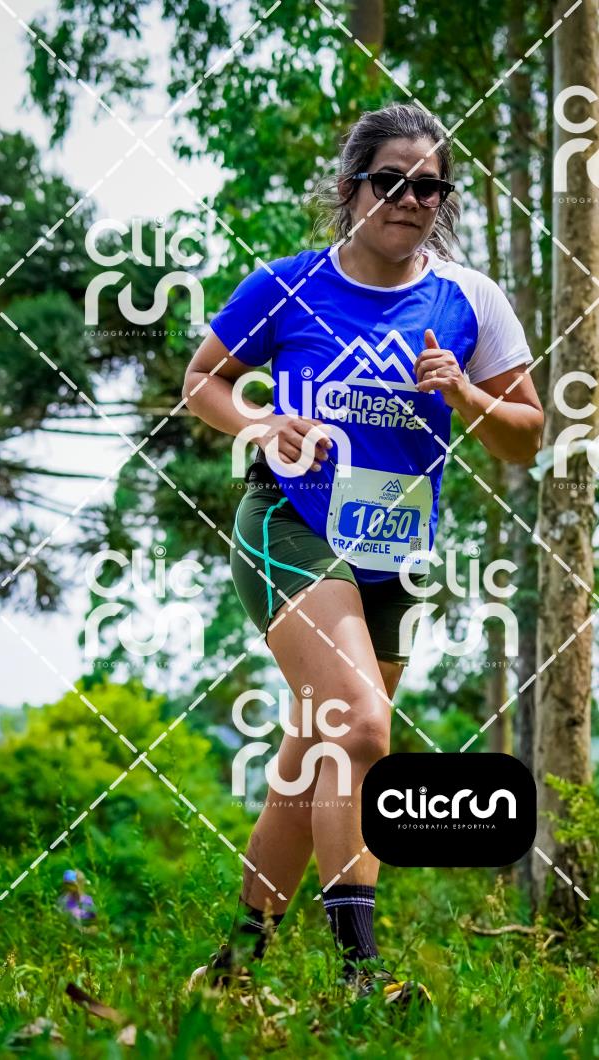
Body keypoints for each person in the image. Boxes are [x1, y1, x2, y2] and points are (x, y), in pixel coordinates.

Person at [182, 103, 543, 1006]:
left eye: (431, 188)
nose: (412, 200)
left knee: (316, 749)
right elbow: (203, 380)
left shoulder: (470, 301)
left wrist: (466, 395)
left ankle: (231, 973)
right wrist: (262, 423)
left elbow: (525, 437)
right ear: (351, 189)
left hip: (394, 554)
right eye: (392, 181)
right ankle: (362, 976)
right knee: (363, 728)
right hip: (290, 524)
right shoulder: (286, 285)